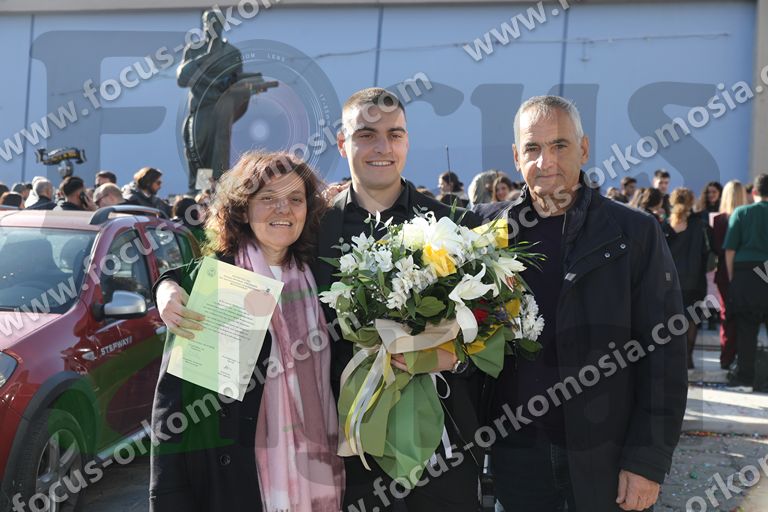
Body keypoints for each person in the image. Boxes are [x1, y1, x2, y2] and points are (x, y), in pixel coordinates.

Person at [474, 95, 687, 512]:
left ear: (584, 149)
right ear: (516, 157)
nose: (546, 161)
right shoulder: (485, 229)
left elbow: (665, 352)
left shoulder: (634, 232)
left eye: (560, 145)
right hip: (515, 455)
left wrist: (647, 461)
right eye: (533, 148)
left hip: (604, 455)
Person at [313, 87, 483, 511]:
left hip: (442, 443)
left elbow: (495, 326)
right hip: (347, 449)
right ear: (342, 143)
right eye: (366, 135)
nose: (382, 147)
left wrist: (456, 358)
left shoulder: (456, 225)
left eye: (395, 134)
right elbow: (233, 258)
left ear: (407, 140)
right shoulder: (310, 228)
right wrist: (169, 282)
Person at [150, 151, 344, 511]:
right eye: (268, 198)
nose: (283, 209)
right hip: (240, 483)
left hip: (323, 470)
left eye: (295, 199)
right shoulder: (219, 284)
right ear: (242, 209)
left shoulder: (322, 276)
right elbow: (174, 407)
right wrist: (167, 497)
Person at [724, 173, 768, 389]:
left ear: (754, 191)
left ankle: (745, 379)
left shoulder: (741, 212)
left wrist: (733, 278)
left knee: (746, 330)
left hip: (746, 275)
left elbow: (730, 250)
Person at [664, 188, 710, 369]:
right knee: (692, 320)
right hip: (695, 281)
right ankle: (687, 359)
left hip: (669, 282)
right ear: (692, 202)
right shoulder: (700, 225)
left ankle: (673, 360)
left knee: (671, 321)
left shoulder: (664, 226)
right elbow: (707, 252)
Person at [711, 180, 749, 369]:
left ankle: (726, 357)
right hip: (745, 273)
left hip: (724, 274)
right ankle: (740, 358)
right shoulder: (747, 217)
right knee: (744, 316)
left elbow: (717, 248)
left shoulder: (718, 220)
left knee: (727, 316)